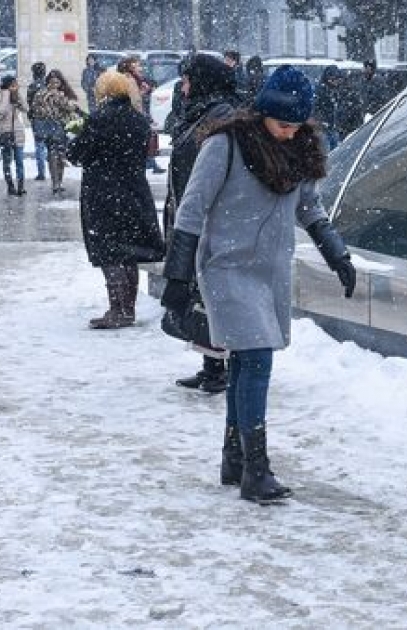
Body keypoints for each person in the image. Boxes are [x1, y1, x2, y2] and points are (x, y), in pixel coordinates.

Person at [160, 65, 357, 503]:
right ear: (264, 113)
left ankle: (234, 458)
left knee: (246, 363)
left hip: (269, 274)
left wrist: (337, 253)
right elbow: (192, 211)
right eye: (282, 124)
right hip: (227, 269)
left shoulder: (299, 151)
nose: (288, 133)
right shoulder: (224, 145)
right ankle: (256, 469)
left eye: (295, 125)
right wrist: (177, 275)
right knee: (258, 359)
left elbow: (310, 208)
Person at [164, 53, 243, 394]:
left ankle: (224, 367)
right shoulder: (202, 113)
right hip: (196, 215)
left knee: (213, 295)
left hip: (213, 220)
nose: (182, 87)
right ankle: (212, 364)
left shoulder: (220, 116)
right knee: (203, 296)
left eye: (186, 81)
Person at [66, 70, 165, 329]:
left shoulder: (99, 119)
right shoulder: (139, 120)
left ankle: (116, 310)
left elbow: (77, 154)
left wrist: (76, 137)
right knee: (129, 251)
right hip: (134, 190)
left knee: (109, 251)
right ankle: (128, 310)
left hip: (103, 193)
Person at [32, 69, 81, 194]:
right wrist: (47, 100)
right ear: (48, 82)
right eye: (52, 82)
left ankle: (59, 181)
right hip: (49, 128)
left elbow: (70, 107)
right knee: (52, 154)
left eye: (57, 82)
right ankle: (55, 183)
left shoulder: (64, 93)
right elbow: (36, 110)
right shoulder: (41, 93)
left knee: (61, 155)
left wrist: (59, 97)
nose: (54, 85)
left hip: (62, 128)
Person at [117, 55, 165, 174]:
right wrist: (141, 116)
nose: (141, 68)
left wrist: (142, 92)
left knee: (144, 141)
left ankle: (149, 163)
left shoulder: (133, 79)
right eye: (138, 65)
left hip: (134, 116)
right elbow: (134, 100)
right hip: (134, 117)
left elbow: (134, 98)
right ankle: (147, 164)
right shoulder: (130, 79)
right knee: (143, 142)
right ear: (130, 67)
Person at [0, 75, 29, 196]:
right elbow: (0, 110)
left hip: (17, 131)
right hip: (4, 131)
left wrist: (18, 97)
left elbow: (26, 108)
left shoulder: (16, 94)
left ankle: (21, 186)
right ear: (7, 85)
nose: (15, 86)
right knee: (7, 162)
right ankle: (10, 186)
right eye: (13, 84)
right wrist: (7, 94)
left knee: (19, 161)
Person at [314, 65, 345, 150]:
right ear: (329, 78)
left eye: (337, 79)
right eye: (334, 79)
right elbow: (315, 109)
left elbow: (339, 107)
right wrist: (322, 121)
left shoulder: (335, 90)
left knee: (335, 151)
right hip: (324, 129)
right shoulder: (321, 91)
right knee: (326, 152)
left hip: (333, 127)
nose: (337, 81)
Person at [26, 62, 48, 182]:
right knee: (50, 146)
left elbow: (29, 102)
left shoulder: (32, 86)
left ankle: (41, 172)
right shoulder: (48, 85)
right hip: (49, 119)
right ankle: (54, 172)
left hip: (37, 119)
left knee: (39, 146)